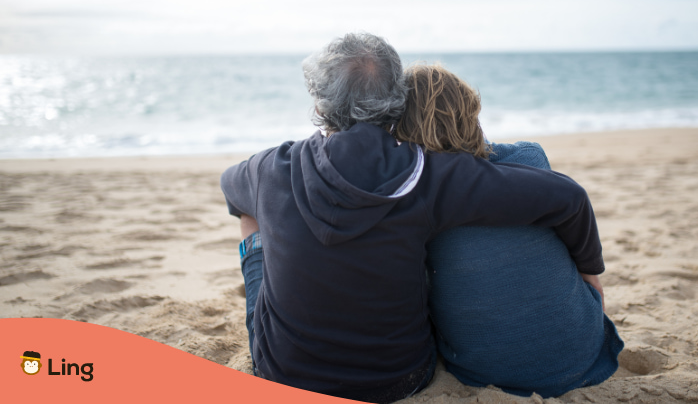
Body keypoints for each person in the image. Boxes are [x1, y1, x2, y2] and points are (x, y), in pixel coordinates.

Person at [220, 33, 604, 403]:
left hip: (285, 377)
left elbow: (230, 187)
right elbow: (567, 196)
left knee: (253, 217)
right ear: (395, 102)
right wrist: (591, 273)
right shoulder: (428, 175)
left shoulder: (270, 167)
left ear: (319, 107)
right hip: (400, 380)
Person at [394, 64, 623, 398]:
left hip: (484, 372)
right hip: (580, 352)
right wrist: (592, 275)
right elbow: (571, 204)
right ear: (472, 110)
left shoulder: (410, 196)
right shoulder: (528, 159)